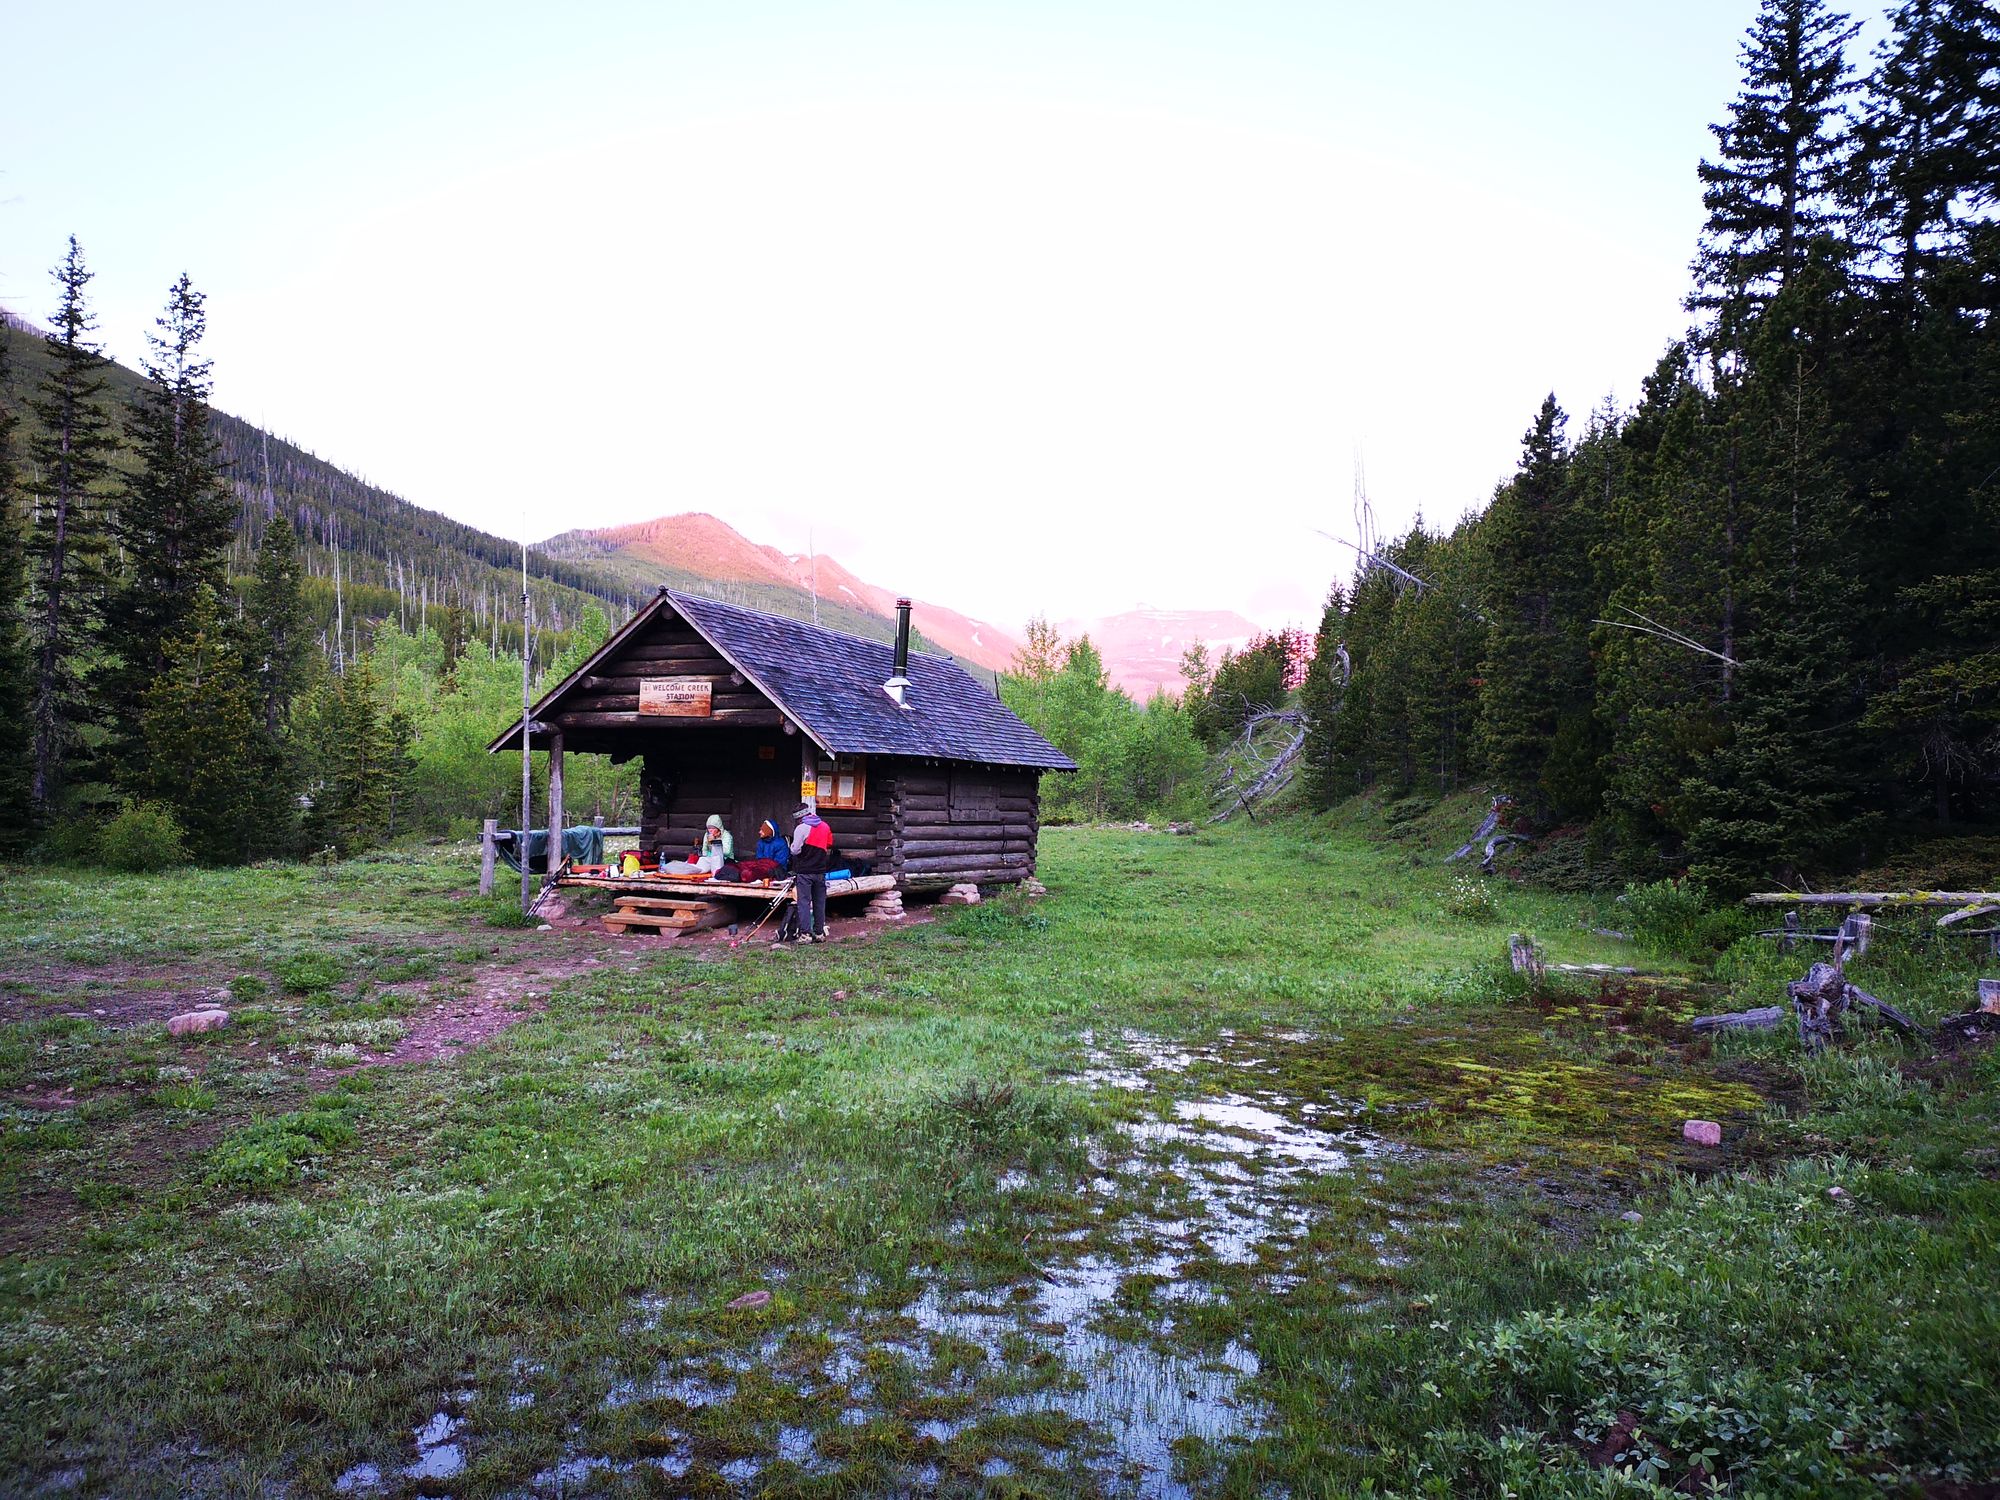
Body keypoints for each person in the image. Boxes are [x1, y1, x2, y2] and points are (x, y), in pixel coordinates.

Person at [788, 802, 834, 942]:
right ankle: (819, 933)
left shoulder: (801, 828)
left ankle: (805, 934)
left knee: (804, 903)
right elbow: (829, 844)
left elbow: (795, 850)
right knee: (819, 902)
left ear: (798, 818)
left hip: (805, 871)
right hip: (820, 870)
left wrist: (791, 846)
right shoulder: (825, 826)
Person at [662, 814, 733, 876]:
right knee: (701, 861)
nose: (710, 830)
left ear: (718, 828)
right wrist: (706, 854)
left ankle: (690, 870)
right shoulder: (707, 835)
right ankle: (680, 869)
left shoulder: (726, 836)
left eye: (713, 828)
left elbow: (727, 852)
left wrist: (714, 842)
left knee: (709, 864)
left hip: (724, 860)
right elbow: (705, 850)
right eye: (709, 828)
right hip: (709, 859)